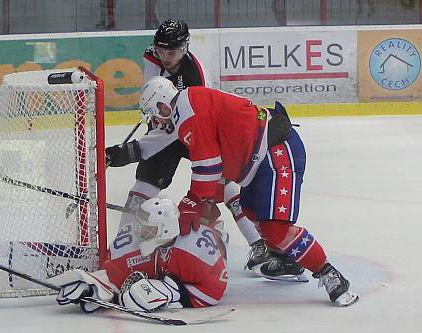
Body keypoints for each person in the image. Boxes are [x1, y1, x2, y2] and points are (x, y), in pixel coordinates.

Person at [128, 76, 359, 306]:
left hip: (275, 150)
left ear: (162, 105)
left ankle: (329, 273)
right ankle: (286, 259)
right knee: (251, 211)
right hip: (259, 160)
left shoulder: (188, 112)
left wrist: (195, 200)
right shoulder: (187, 106)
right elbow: (203, 160)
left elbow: (208, 165)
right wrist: (199, 199)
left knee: (275, 228)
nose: (156, 121)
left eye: (155, 114)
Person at [105, 20, 302, 280]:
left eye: (172, 52)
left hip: (195, 131)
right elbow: (154, 92)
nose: (166, 57)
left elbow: (186, 127)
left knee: (227, 186)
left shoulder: (196, 78)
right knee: (145, 182)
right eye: (161, 50)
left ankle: (260, 246)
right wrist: (153, 119)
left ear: (185, 48)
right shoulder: (154, 57)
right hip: (165, 124)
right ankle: (122, 245)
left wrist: (130, 151)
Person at [56, 197, 229, 313]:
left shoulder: (193, 250)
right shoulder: (136, 242)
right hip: (169, 259)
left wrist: (177, 294)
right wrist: (98, 284)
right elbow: (115, 271)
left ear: (167, 228)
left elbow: (215, 289)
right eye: (141, 226)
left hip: (216, 247)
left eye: (148, 229)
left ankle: (219, 228)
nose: (141, 233)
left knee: (217, 233)